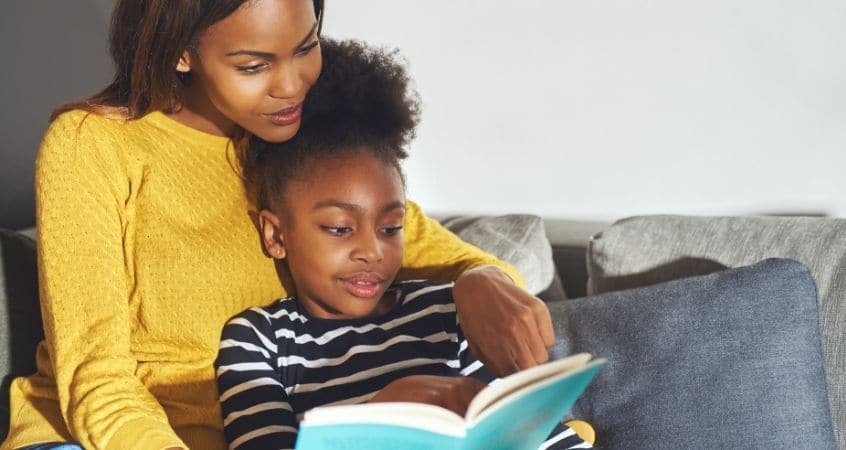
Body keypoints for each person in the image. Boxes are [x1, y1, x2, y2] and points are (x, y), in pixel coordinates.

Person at [2, 1, 556, 449]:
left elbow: (418, 240)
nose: (291, 86)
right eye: (253, 65)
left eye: (306, 47)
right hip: (99, 436)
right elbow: (95, 381)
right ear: (182, 54)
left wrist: (482, 279)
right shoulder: (92, 146)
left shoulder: (296, 133)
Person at [214, 38, 592, 449]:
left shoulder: (449, 311)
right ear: (276, 235)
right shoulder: (259, 340)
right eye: (340, 229)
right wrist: (382, 417)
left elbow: (544, 437)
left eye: (391, 228)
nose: (372, 252)